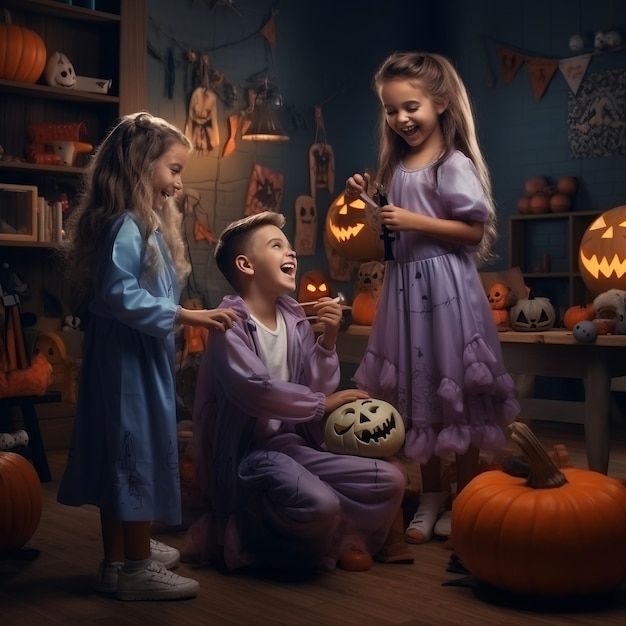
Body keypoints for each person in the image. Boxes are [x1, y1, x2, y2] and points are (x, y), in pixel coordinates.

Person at [57, 112, 237, 601]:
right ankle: (137, 566)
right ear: (141, 166)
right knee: (133, 452)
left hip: (133, 358)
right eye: (174, 170)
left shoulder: (143, 225)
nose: (179, 183)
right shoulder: (127, 227)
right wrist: (187, 317)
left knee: (122, 452)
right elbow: (121, 295)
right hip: (126, 365)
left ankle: (118, 559)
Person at [345, 51, 520, 544]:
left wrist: (412, 219)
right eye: (391, 110)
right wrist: (374, 202)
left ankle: (467, 497)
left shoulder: (453, 163)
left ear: (440, 103)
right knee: (420, 397)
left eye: (411, 106)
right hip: (405, 294)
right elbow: (391, 235)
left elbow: (471, 230)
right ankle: (432, 495)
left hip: (447, 293)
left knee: (456, 392)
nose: (401, 119)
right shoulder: (398, 167)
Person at [182, 211, 406, 577]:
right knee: (321, 503)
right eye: (277, 246)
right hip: (246, 455)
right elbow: (254, 390)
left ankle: (343, 537)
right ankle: (240, 531)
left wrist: (328, 340)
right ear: (245, 264)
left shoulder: (293, 317)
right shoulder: (228, 323)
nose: (292, 254)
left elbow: (314, 389)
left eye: (290, 247)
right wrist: (323, 404)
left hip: (288, 445)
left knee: (390, 479)